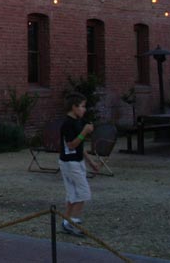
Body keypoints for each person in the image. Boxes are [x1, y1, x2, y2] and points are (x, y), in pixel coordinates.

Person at [59, 92, 100, 236]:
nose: (84, 109)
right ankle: (73, 222)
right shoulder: (67, 124)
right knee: (83, 192)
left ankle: (66, 222)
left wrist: (91, 162)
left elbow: (80, 147)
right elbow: (71, 145)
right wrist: (84, 132)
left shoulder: (79, 121)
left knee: (73, 194)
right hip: (70, 162)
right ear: (73, 107)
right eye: (82, 106)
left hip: (77, 160)